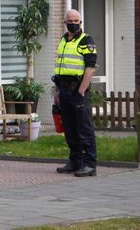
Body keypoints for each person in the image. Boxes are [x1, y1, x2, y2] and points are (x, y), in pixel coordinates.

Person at [53, 9, 97, 177]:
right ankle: (75, 161)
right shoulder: (63, 39)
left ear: (81, 22)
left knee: (84, 128)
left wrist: (82, 90)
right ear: (65, 22)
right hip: (63, 88)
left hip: (78, 89)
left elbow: (90, 67)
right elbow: (60, 67)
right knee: (70, 128)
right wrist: (57, 91)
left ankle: (90, 164)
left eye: (76, 20)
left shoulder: (86, 40)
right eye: (70, 20)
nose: (73, 23)